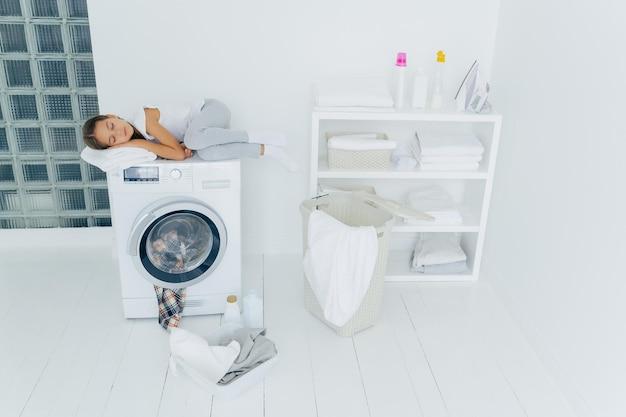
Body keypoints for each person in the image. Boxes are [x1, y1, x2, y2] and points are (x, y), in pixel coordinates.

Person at [82, 98, 297, 170]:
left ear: (112, 115)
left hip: (212, 110)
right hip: (207, 133)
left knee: (193, 141)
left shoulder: (144, 117)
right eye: (113, 139)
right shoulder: (140, 140)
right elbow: (178, 153)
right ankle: (267, 150)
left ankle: (256, 135)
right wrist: (135, 145)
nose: (118, 132)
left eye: (111, 125)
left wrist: (134, 145)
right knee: (206, 155)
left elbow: (175, 153)